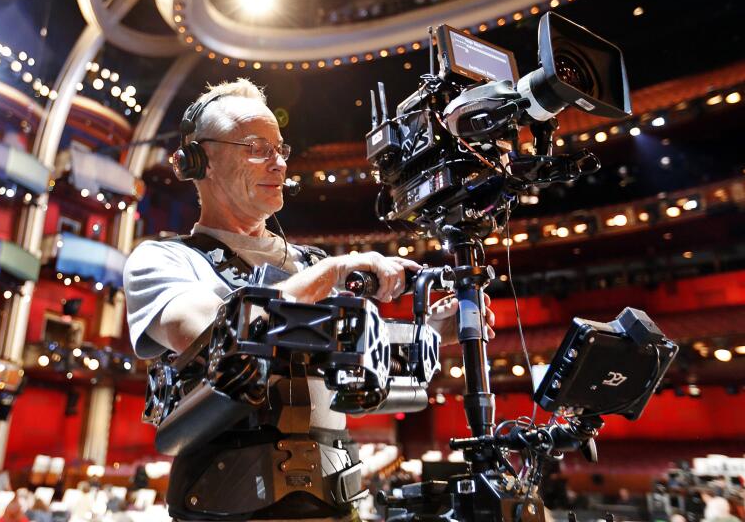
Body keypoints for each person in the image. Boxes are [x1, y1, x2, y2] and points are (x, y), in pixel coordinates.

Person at [124, 78, 495, 521]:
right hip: (227, 502)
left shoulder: (310, 264)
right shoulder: (163, 258)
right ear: (199, 160)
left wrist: (432, 333)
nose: (279, 163)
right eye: (256, 147)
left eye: (281, 149)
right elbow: (212, 331)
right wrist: (334, 270)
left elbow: (363, 374)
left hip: (336, 499)